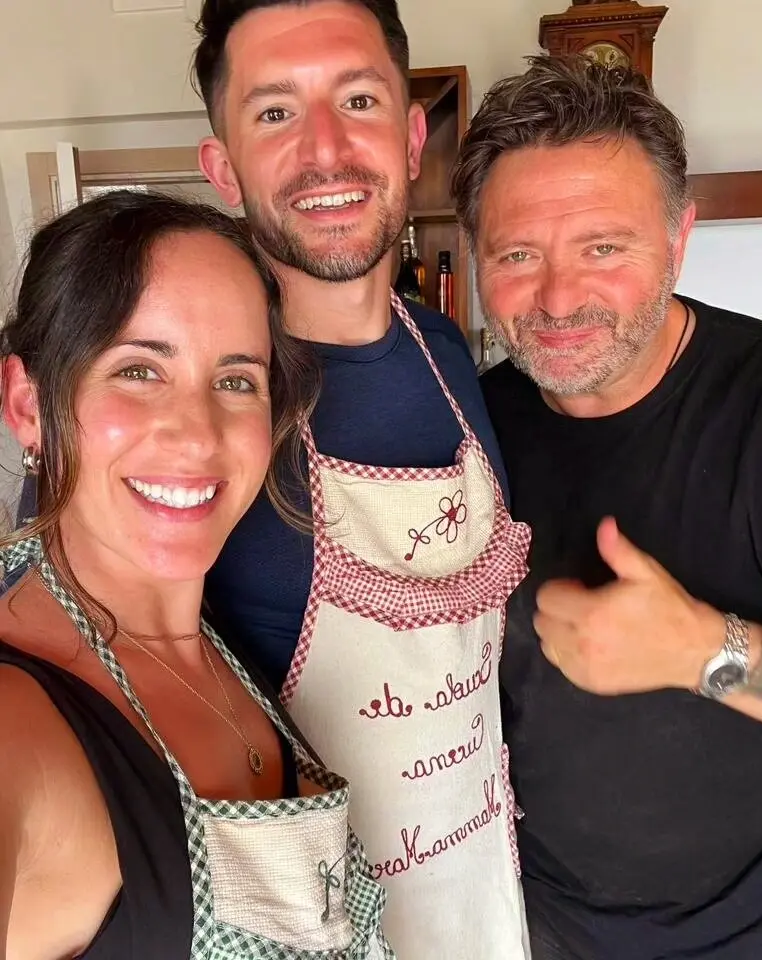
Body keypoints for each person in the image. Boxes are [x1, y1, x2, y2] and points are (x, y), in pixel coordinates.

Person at [193, 2, 532, 957]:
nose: (326, 149)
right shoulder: (189, 408)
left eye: (357, 98)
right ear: (223, 167)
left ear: (411, 134)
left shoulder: (447, 351)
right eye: (274, 114)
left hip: (485, 909)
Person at [0, 190, 391, 960]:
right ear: (29, 405)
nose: (198, 433)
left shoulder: (219, 647)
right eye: (140, 369)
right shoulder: (19, 724)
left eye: (236, 379)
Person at [451, 54, 762, 959]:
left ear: (678, 239)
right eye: (517, 255)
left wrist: (705, 650)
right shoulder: (475, 422)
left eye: (603, 247)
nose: (557, 299)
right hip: (528, 925)